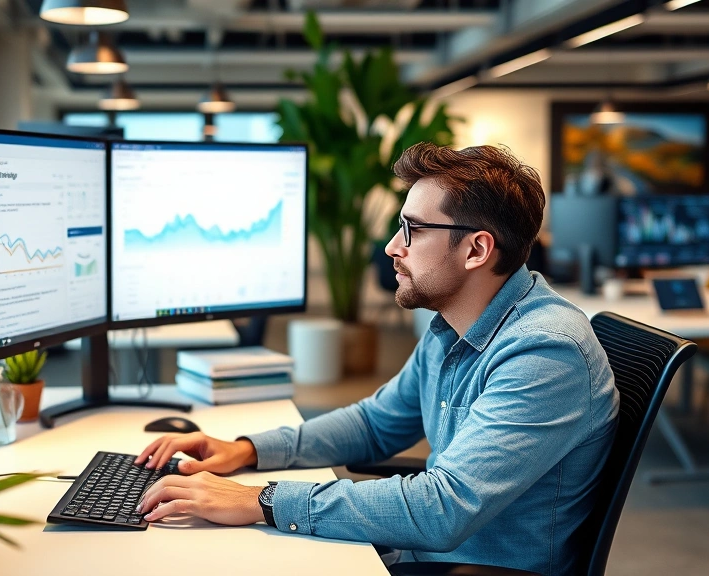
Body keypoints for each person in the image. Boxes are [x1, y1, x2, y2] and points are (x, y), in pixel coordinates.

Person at [134, 142, 619, 576]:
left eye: (412, 229)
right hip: (427, 556)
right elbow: (376, 424)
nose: (392, 247)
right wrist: (249, 450)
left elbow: (443, 510)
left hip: (473, 567)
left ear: (476, 249)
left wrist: (259, 499)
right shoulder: (455, 320)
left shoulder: (545, 352)